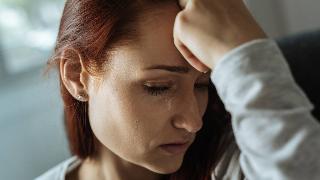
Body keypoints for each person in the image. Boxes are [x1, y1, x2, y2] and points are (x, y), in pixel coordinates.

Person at [36, 0, 320, 180]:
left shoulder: (232, 164)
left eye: (202, 85)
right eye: (158, 88)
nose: (194, 121)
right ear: (76, 74)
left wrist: (243, 50)